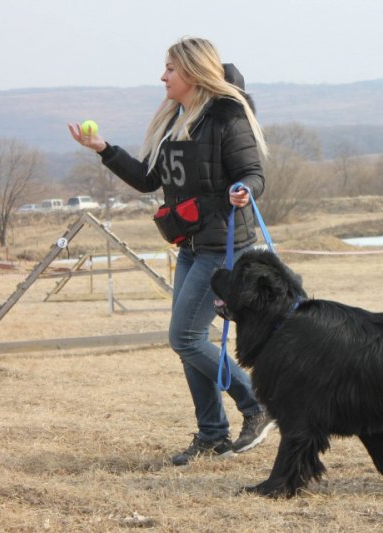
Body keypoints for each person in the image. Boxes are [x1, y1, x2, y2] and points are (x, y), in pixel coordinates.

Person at [68, 37, 275, 466]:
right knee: (188, 341)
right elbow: (148, 179)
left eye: (170, 69)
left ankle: (258, 404)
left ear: (194, 72)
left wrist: (242, 191)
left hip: (223, 247)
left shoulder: (227, 116)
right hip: (189, 245)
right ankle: (213, 434)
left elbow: (253, 173)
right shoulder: (174, 120)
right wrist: (104, 150)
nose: (163, 76)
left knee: (183, 337)